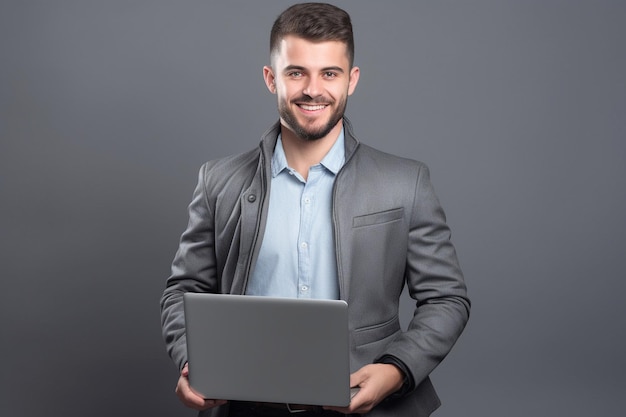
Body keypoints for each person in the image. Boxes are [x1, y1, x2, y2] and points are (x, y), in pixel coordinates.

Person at [160, 3, 470, 416]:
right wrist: (191, 362)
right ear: (271, 79)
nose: (312, 89)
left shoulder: (405, 182)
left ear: (351, 80)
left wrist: (395, 371)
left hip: (364, 404)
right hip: (244, 406)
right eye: (296, 72)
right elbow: (182, 291)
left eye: (329, 73)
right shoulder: (218, 181)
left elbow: (447, 299)